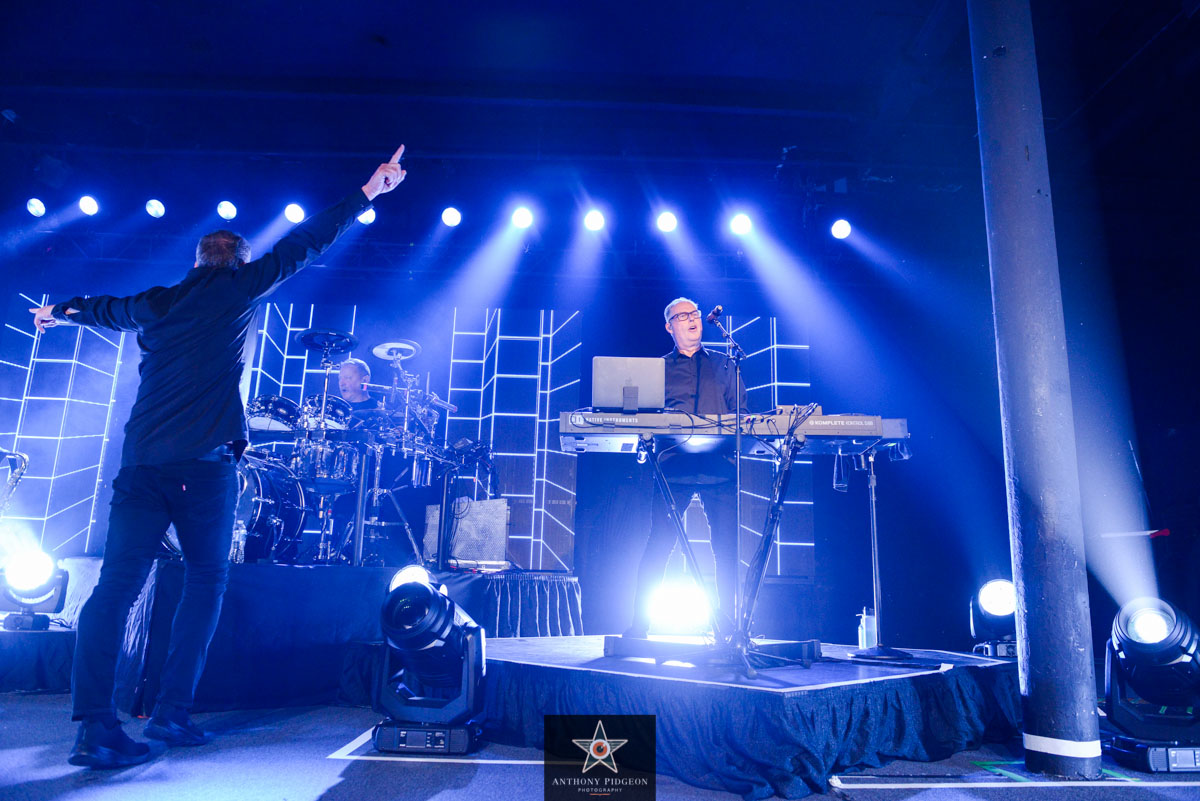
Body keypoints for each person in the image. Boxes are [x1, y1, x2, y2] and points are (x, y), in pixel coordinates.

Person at [32, 146, 408, 769]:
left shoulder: (156, 302)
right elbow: (306, 243)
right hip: (201, 471)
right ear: (238, 262)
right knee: (205, 580)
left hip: (141, 465)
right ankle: (173, 711)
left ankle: (94, 726)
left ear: (198, 259)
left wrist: (58, 311)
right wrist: (367, 193)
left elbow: (100, 307)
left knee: (115, 588)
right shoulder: (238, 290)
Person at [626, 296, 747, 639]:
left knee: (726, 548)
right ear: (670, 327)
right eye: (683, 316)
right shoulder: (658, 369)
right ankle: (639, 627)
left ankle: (728, 628)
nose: (692, 319)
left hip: (718, 465)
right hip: (674, 465)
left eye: (694, 313)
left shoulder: (726, 364)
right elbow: (643, 416)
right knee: (659, 544)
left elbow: (742, 414)